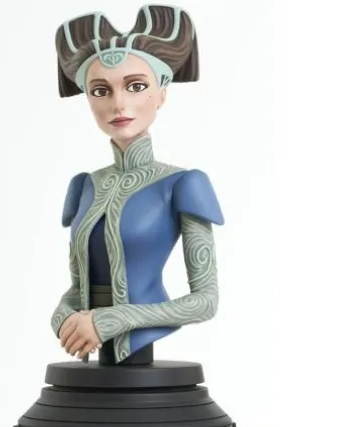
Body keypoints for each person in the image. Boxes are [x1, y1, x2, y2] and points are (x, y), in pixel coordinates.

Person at [50, 4, 224, 365]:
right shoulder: (84, 186)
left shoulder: (183, 185)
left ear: (161, 93)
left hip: (142, 344)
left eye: (136, 86)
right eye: (101, 90)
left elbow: (205, 301)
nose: (119, 104)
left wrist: (113, 320)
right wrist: (63, 317)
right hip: (91, 353)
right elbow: (79, 288)